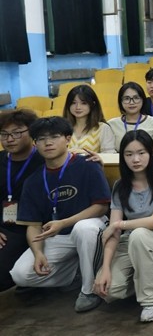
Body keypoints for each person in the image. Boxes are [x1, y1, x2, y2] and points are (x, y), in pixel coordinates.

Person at [10, 116, 110, 313]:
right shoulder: (33, 181)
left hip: (91, 227)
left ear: (68, 139)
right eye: (41, 139)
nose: (48, 143)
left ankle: (89, 290)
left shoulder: (87, 164)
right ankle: (76, 273)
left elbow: (101, 207)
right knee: (20, 274)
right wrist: (38, 253)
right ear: (35, 144)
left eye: (54, 137)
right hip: (58, 236)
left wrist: (64, 222)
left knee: (83, 229)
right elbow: (33, 225)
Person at [93, 131, 153, 322]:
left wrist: (118, 224)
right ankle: (151, 281)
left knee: (139, 235)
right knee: (109, 291)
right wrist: (105, 268)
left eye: (141, 153)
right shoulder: (120, 186)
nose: (136, 159)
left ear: (152, 152)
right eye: (129, 154)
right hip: (129, 243)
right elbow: (114, 234)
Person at [0, 109, 43, 292]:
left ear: (31, 132)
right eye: (4, 134)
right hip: (4, 227)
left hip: (33, 227)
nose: (9, 139)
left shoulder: (44, 159)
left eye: (16, 133)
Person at [107, 82, 153, 151]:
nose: (131, 102)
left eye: (136, 98)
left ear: (143, 100)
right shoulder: (111, 125)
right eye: (126, 98)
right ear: (120, 101)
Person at [63, 84, 115, 155]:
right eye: (73, 103)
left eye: (83, 103)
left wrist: (87, 154)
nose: (78, 107)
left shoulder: (103, 128)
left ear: (92, 104)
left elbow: (110, 155)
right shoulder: (61, 128)